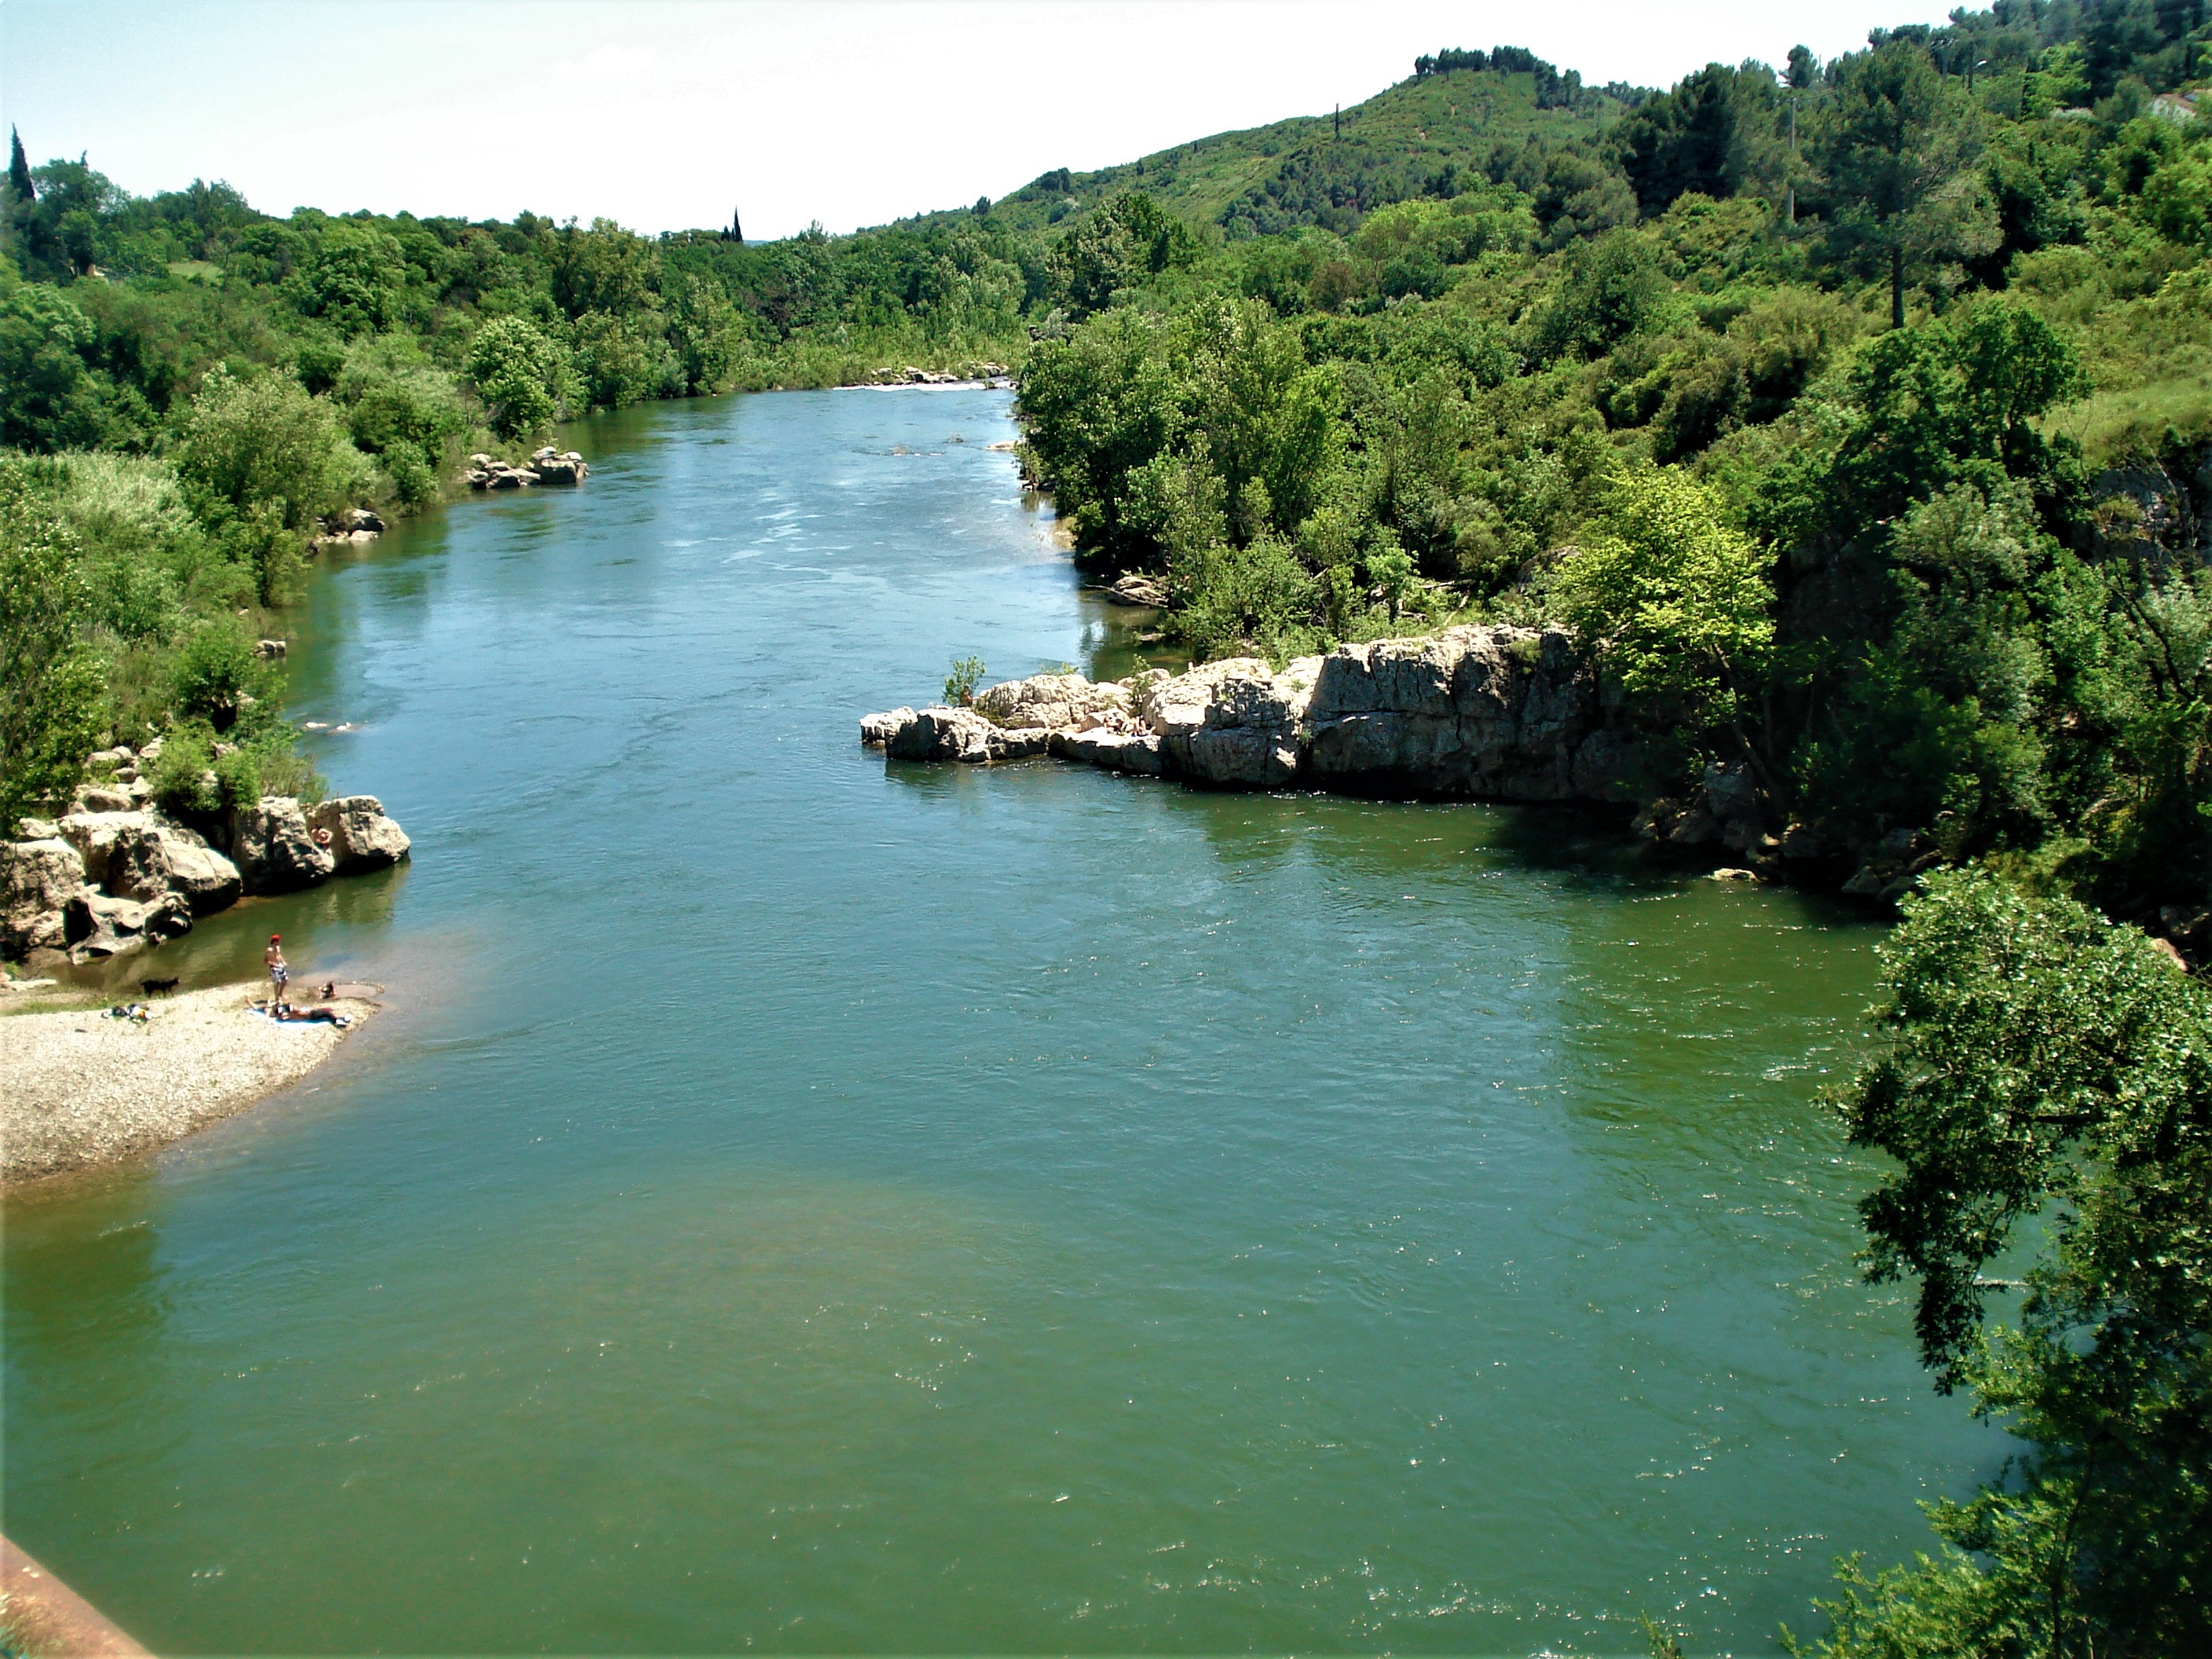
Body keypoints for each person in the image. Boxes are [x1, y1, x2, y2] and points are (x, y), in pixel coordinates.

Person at [266, 934, 289, 1011]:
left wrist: (283, 962)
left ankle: (281, 993)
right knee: (277, 982)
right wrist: (274, 964)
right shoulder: (269, 950)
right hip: (274, 968)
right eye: (278, 940)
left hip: (280, 966)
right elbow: (266, 961)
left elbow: (279, 955)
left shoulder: (278, 948)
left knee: (285, 979)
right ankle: (276, 998)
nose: (280, 941)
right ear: (275, 941)